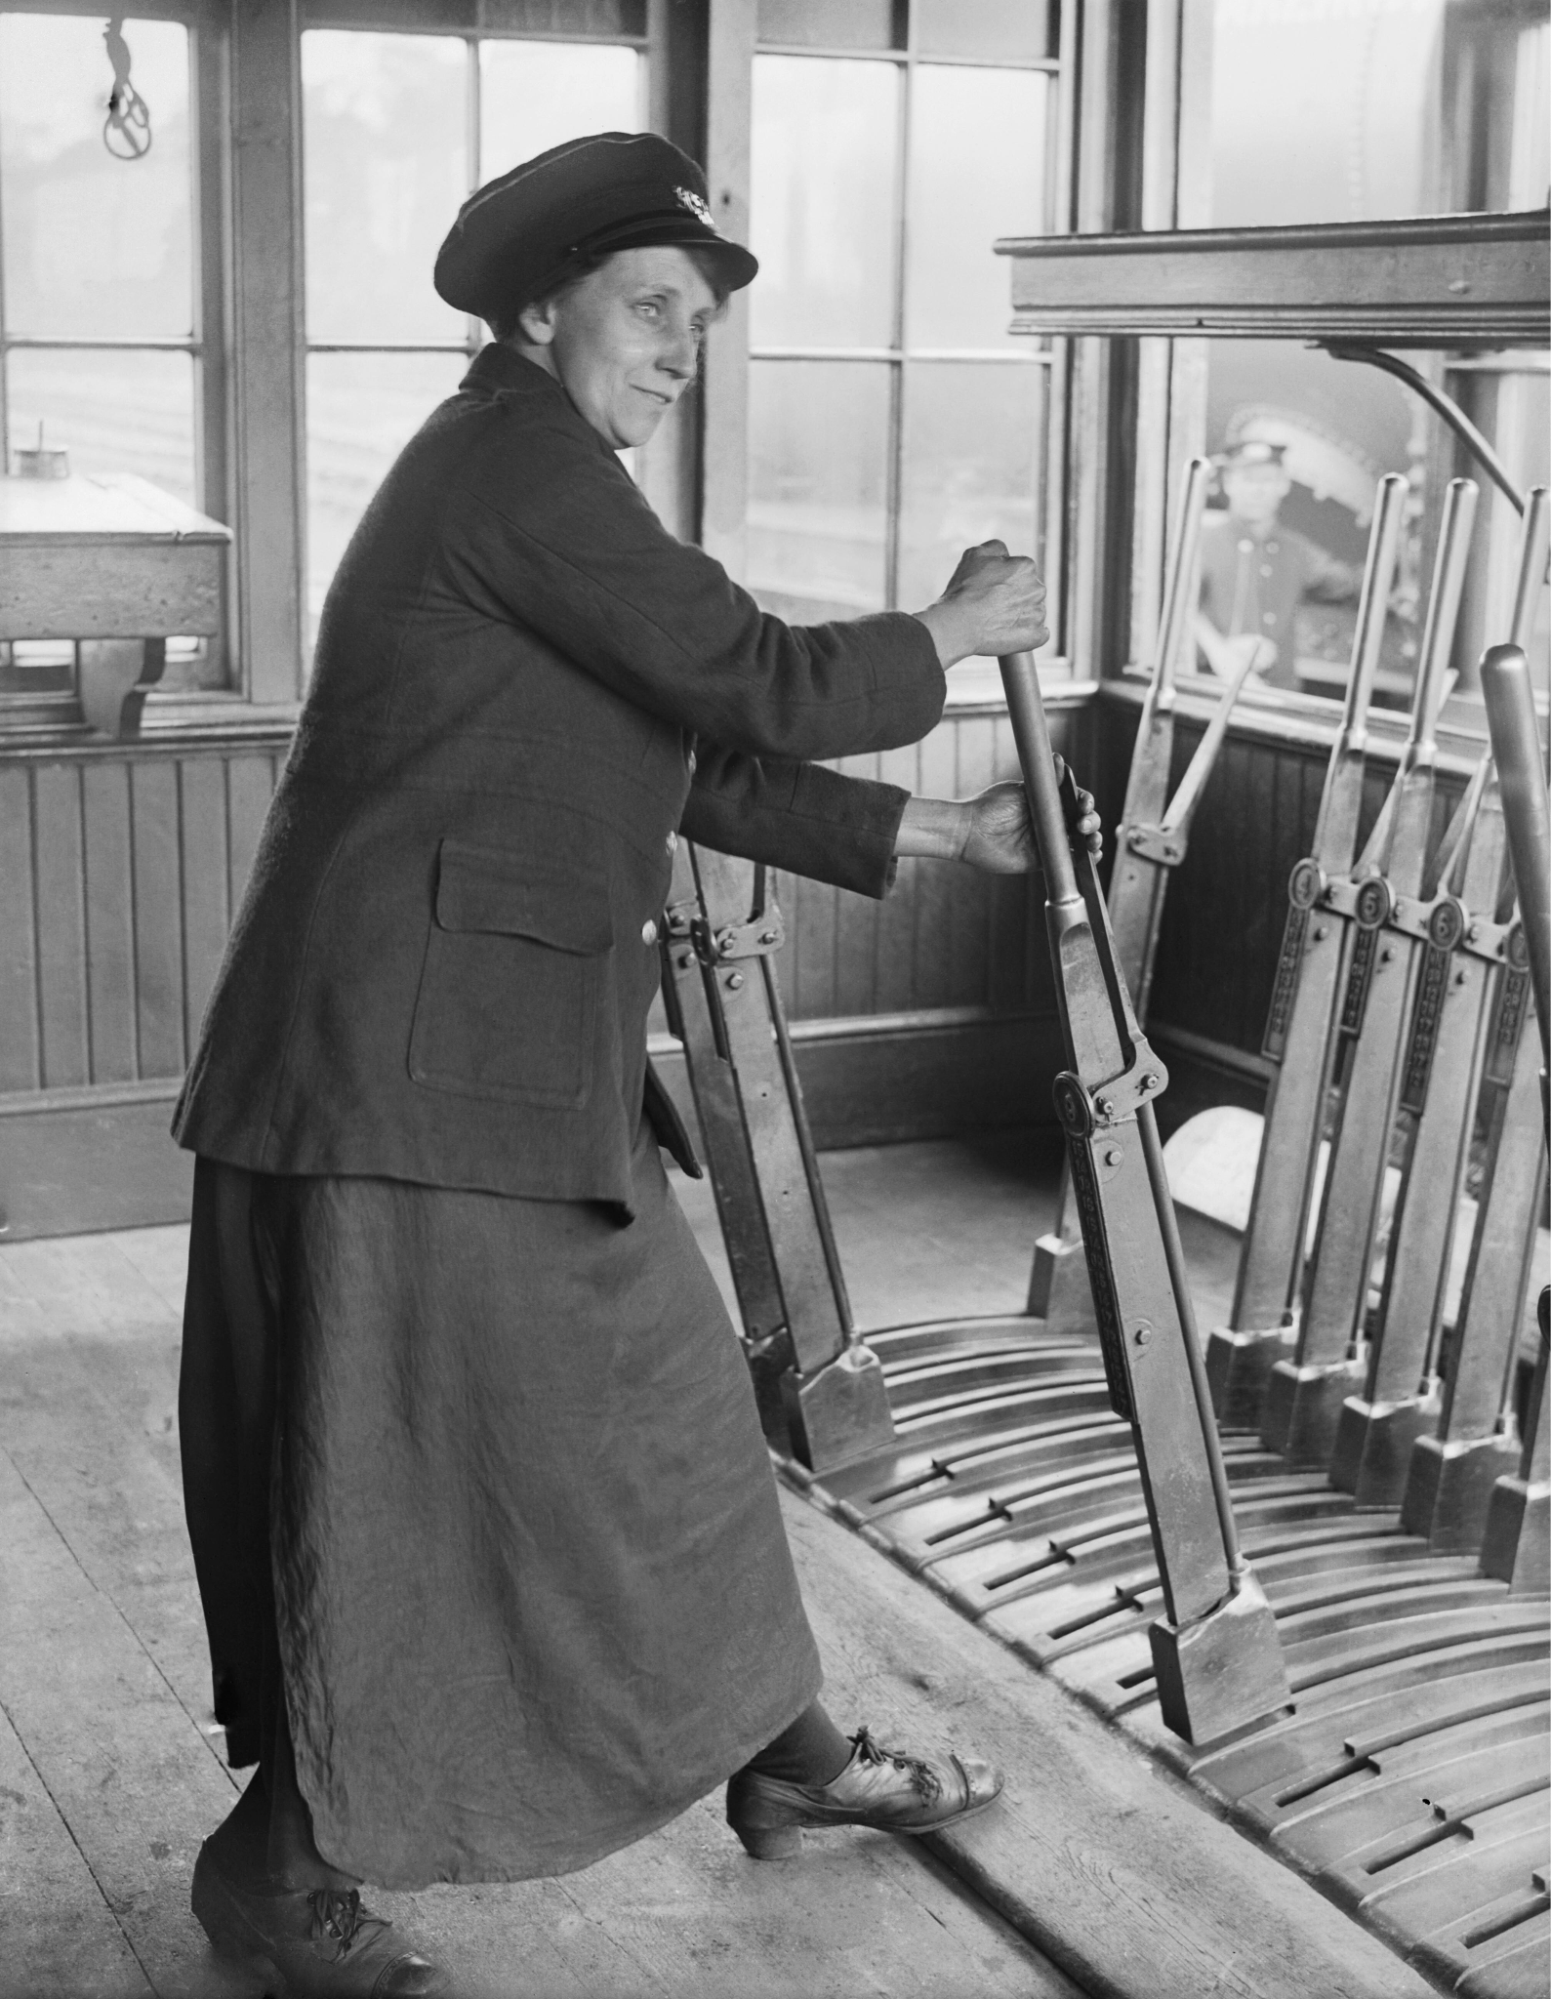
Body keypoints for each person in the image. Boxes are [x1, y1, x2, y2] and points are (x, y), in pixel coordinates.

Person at [173, 131, 1090, 1998]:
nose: (683, 350)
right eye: (652, 309)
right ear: (538, 313)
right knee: (414, 1479)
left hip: (489, 1071)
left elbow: (695, 742)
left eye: (701, 321)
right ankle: (275, 1874)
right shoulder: (516, 463)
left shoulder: (550, 483)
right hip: (397, 1083)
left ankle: (788, 1752)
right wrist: (949, 630)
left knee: (669, 1410)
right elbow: (751, 672)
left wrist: (945, 837)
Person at [1195, 438, 1360, 690]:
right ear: (1228, 483)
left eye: (1268, 480)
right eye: (1248, 480)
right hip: (1213, 690)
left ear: (1283, 485)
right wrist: (1220, 650)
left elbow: (1347, 583)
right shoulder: (1204, 543)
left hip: (1280, 693)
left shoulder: (1297, 550)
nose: (1258, 490)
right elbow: (1175, 614)